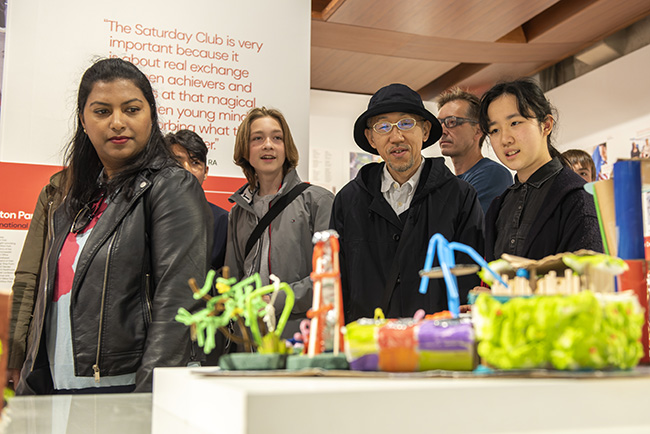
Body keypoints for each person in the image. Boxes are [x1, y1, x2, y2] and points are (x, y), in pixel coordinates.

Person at [15, 58, 212, 395]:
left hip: (125, 389)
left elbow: (178, 301)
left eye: (131, 109)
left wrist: (147, 399)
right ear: (83, 120)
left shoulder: (172, 187)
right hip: (58, 387)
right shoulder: (73, 199)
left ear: (150, 114)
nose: (117, 122)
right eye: (102, 111)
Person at [330, 83, 484, 323]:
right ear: (371, 138)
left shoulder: (459, 196)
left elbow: (469, 279)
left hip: (436, 344)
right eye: (383, 127)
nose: (396, 137)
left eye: (406, 123)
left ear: (424, 131)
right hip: (370, 346)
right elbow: (339, 281)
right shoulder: (349, 200)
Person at [225, 107, 334, 339]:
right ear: (246, 149)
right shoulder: (238, 212)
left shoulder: (317, 201)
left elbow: (331, 276)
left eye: (277, 138)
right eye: (257, 138)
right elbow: (232, 278)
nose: (268, 145)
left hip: (302, 334)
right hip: (250, 338)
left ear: (287, 148)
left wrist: (276, 299)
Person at [478, 78, 602, 262]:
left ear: (546, 125)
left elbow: (591, 276)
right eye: (494, 130)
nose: (505, 139)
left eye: (515, 123)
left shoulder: (578, 197)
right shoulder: (499, 206)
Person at [7, 170, 66, 389]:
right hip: (47, 351)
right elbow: (28, 276)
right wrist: (14, 355)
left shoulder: (141, 189)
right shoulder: (55, 193)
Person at [437, 88, 513, 213]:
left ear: (478, 131)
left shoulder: (492, 174)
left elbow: (464, 229)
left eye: (452, 122)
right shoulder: (449, 183)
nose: (443, 131)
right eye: (440, 123)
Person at [165, 129, 228, 271]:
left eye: (195, 163)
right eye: (177, 162)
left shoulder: (222, 220)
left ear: (205, 172)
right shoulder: (147, 213)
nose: (186, 170)